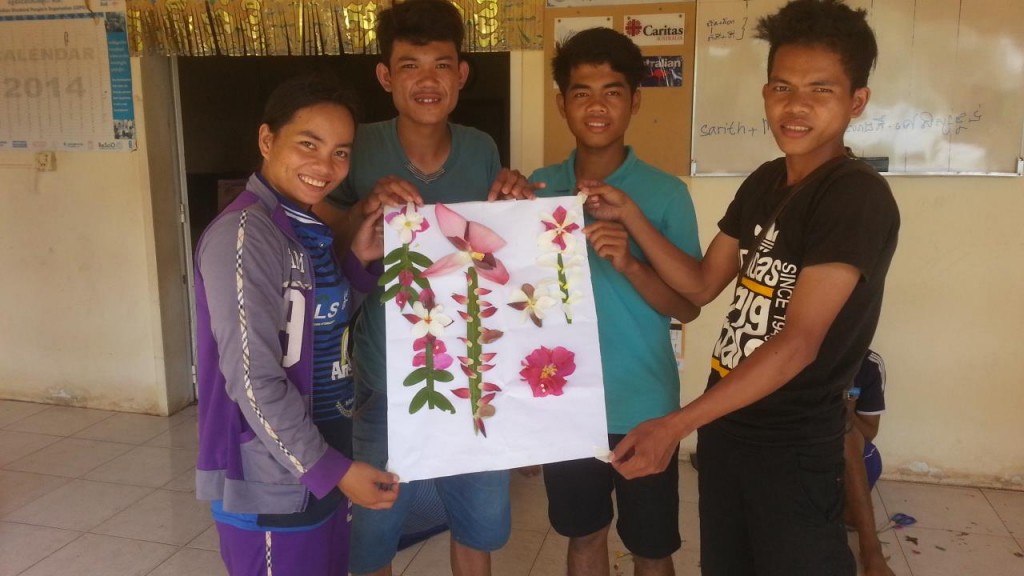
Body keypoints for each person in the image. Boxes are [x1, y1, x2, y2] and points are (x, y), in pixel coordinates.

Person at [583, 1, 900, 575]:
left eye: (819, 90)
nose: (795, 105)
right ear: (765, 92)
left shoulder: (854, 196)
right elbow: (702, 285)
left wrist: (676, 423)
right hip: (730, 432)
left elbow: (800, 342)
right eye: (782, 86)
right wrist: (630, 216)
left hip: (793, 443)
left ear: (857, 101)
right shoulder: (766, 181)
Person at [314, 1, 536, 574]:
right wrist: (364, 207)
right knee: (375, 531)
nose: (428, 79)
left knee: (478, 525)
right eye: (410, 65)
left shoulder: (482, 147)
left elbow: (495, 246)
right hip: (383, 375)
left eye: (442, 64)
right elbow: (323, 244)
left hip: (472, 374)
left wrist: (514, 200)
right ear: (386, 77)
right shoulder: (358, 146)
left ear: (461, 75)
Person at [192, 74, 400, 576]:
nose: (325, 166)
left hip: (322, 454)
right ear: (268, 140)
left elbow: (313, 329)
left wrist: (357, 265)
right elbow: (254, 379)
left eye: (341, 153)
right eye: (309, 144)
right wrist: (334, 470)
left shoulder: (304, 229)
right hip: (275, 478)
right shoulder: (247, 235)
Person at [530, 27, 701, 576]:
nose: (597, 106)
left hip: (643, 402)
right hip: (564, 399)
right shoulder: (536, 190)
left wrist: (630, 263)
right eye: (581, 92)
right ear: (562, 104)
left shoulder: (666, 192)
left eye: (612, 91)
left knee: (652, 545)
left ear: (635, 101)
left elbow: (687, 306)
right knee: (584, 534)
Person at [845, 349, 894, 576]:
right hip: (803, 450)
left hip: (846, 452)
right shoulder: (799, 352)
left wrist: (845, 413)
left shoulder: (868, 364)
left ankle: (870, 550)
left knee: (851, 518)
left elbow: (869, 432)